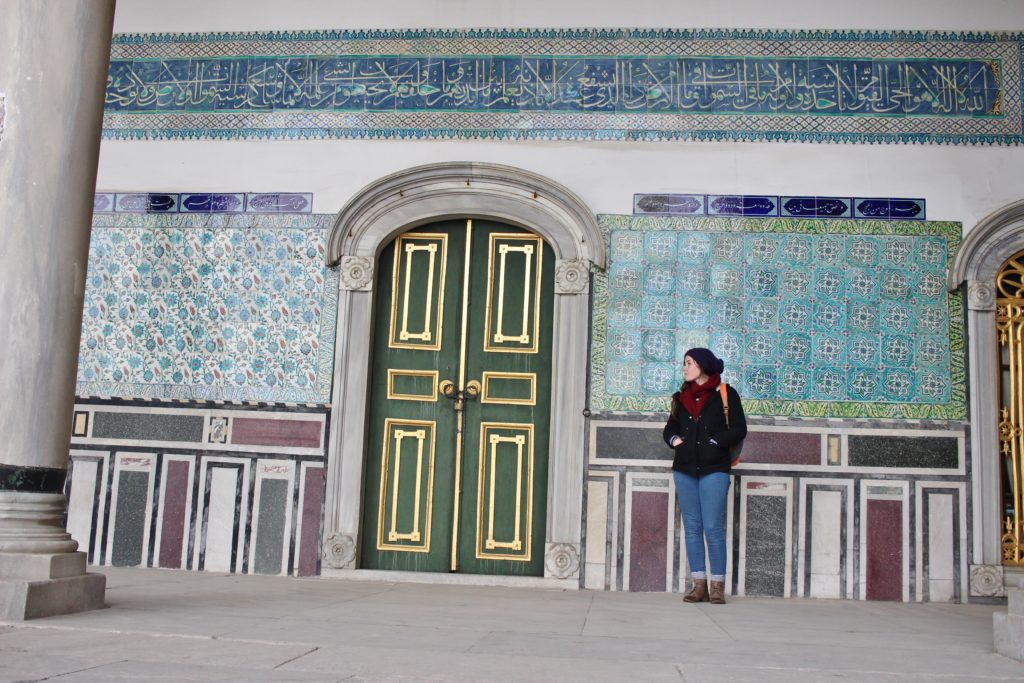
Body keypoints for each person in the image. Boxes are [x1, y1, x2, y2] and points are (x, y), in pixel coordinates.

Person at [663, 347, 746, 604]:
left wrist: (714, 442)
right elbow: (670, 429)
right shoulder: (681, 398)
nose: (685, 368)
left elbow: (740, 429)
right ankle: (699, 585)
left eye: (689, 363)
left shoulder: (725, 394)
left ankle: (717, 586)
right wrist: (677, 441)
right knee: (692, 527)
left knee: (712, 528)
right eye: (684, 363)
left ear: (702, 366)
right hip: (685, 469)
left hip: (714, 469)